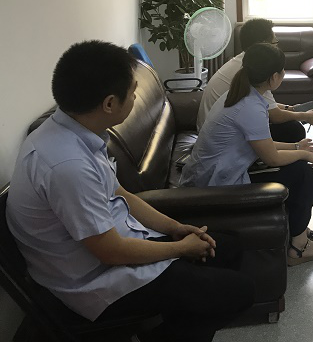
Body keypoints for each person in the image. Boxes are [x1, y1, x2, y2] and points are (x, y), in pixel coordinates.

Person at [6, 41, 254, 342]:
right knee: (240, 293)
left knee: (228, 247)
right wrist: (180, 248)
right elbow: (111, 252)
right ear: (110, 104)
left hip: (118, 244)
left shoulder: (76, 132)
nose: (136, 97)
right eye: (133, 92)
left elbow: (120, 193)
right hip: (96, 282)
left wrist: (175, 228)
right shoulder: (67, 165)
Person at [181, 43, 313, 266]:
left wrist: (296, 147)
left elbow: (263, 144)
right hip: (217, 184)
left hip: (217, 173)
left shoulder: (241, 94)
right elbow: (271, 158)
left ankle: (298, 228)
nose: (283, 74)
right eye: (282, 71)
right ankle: (298, 248)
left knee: (298, 168)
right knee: (301, 173)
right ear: (274, 77)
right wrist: (302, 154)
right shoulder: (250, 106)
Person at [197, 18, 313, 141]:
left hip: (212, 129)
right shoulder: (257, 68)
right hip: (220, 135)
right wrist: (305, 116)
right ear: (264, 45)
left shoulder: (245, 61)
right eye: (275, 42)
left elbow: (266, 105)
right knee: (293, 130)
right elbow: (275, 116)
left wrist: (291, 109)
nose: (277, 46)